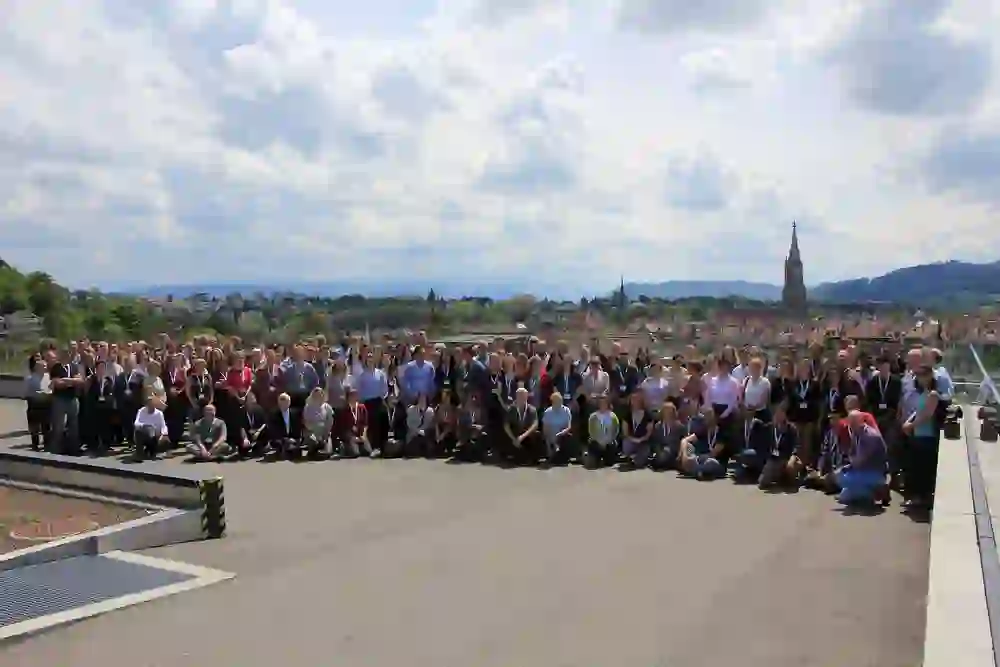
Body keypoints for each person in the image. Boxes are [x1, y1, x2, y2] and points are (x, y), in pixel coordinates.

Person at [901, 366, 941, 509]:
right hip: (917, 434)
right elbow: (918, 411)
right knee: (914, 467)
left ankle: (923, 498)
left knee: (924, 468)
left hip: (927, 436)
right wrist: (908, 422)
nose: (919, 379)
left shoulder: (933, 394)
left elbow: (927, 415)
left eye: (922, 376)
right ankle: (915, 497)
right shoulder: (924, 392)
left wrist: (911, 426)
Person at [836, 410, 889, 506]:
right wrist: (849, 464)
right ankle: (871, 493)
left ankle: (879, 487)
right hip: (862, 470)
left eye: (853, 422)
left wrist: (848, 466)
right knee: (844, 497)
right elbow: (851, 454)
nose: (851, 425)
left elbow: (859, 461)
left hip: (875, 472)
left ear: (861, 421)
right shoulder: (856, 434)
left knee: (841, 478)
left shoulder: (870, 436)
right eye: (850, 422)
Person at [757, 403, 802, 489]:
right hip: (773, 459)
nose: (778, 415)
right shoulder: (769, 428)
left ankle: (788, 478)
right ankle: (777, 476)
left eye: (780, 413)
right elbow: (763, 445)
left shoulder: (791, 428)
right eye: (776, 413)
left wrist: (793, 457)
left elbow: (797, 445)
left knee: (793, 466)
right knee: (762, 483)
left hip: (786, 458)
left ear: (785, 415)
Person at [679, 409, 726, 480]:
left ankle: (696, 471)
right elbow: (684, 440)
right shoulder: (703, 431)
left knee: (710, 462)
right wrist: (685, 457)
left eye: (709, 416)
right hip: (701, 460)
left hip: (716, 461)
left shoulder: (721, 433)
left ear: (715, 418)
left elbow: (713, 454)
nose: (707, 419)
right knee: (688, 447)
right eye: (705, 417)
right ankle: (700, 472)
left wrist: (698, 459)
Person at [501, 387, 541, 465]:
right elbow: (506, 425)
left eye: (523, 395)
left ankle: (534, 459)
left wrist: (523, 436)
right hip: (515, 434)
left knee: (537, 435)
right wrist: (513, 438)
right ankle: (510, 456)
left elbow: (535, 424)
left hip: (526, 435)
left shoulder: (532, 409)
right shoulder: (511, 409)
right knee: (503, 434)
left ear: (527, 396)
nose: (521, 398)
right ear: (516, 396)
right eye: (519, 396)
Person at [585, 394, 619, 469]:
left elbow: (616, 430)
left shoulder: (613, 416)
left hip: (608, 443)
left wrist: (609, 440)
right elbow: (591, 432)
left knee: (609, 463)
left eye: (604, 403)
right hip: (596, 443)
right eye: (601, 403)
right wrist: (600, 442)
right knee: (593, 463)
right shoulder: (593, 417)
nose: (602, 405)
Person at [24, 358, 51, 451]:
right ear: (36, 367)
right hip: (34, 405)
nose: (45, 367)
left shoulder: (48, 377)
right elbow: (26, 393)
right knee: (34, 427)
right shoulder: (30, 378)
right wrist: (36, 394)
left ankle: (46, 444)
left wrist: (49, 393)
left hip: (45, 405)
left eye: (45, 366)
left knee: (46, 426)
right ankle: (34, 444)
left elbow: (51, 388)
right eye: (42, 366)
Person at [651, 400, 687, 470]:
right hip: (661, 450)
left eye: (670, 411)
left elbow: (684, 440)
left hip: (674, 451)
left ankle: (667, 463)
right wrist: (658, 450)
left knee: (665, 455)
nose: (668, 413)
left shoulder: (679, 426)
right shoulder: (658, 426)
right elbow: (656, 441)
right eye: (666, 411)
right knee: (661, 456)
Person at [620, 391, 653, 469]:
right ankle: (631, 456)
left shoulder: (648, 414)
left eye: (638, 399)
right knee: (626, 443)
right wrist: (634, 440)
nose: (635, 402)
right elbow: (625, 433)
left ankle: (637, 458)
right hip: (631, 441)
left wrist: (641, 439)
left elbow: (649, 433)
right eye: (633, 400)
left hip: (644, 442)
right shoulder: (627, 414)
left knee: (639, 463)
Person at [132, 393, 169, 462]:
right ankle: (139, 455)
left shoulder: (159, 413)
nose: (150, 404)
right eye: (148, 403)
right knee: (138, 432)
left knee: (165, 439)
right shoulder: (141, 411)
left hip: (155, 437)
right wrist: (144, 425)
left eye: (151, 403)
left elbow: (163, 426)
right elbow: (136, 423)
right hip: (145, 435)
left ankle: (156, 452)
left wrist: (163, 434)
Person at [542, 391, 575, 465]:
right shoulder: (548, 412)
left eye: (560, 401)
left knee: (567, 437)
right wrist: (549, 441)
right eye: (556, 401)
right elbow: (545, 430)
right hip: (551, 436)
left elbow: (569, 427)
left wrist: (560, 433)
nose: (559, 403)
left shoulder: (566, 410)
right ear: (552, 402)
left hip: (562, 435)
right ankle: (553, 454)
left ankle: (561, 456)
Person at [301, 387, 335, 458]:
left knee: (327, 453)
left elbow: (330, 422)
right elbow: (306, 423)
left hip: (324, 434)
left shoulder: (327, 407)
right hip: (312, 433)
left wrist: (326, 434)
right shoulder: (307, 407)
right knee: (313, 442)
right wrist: (315, 435)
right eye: (316, 395)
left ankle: (318, 451)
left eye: (320, 395)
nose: (318, 396)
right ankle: (313, 451)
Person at [454, 392, 488, 463]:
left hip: (477, 431)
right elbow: (463, 424)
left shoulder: (481, 410)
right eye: (471, 398)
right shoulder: (464, 412)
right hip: (467, 432)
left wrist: (479, 427)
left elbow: (484, 423)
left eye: (475, 397)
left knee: (482, 435)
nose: (473, 400)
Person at [268, 392, 302, 458]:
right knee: (280, 444)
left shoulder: (295, 414)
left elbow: (298, 427)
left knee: (297, 453)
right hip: (280, 439)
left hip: (293, 438)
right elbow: (274, 430)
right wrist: (286, 439)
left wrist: (295, 438)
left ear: (289, 402)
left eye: (286, 402)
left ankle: (289, 449)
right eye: (281, 402)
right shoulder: (273, 414)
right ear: (278, 403)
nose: (283, 404)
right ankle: (285, 450)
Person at [338, 388, 370, 458]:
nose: (354, 397)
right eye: (352, 396)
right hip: (349, 434)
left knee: (368, 452)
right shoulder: (344, 409)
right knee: (355, 454)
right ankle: (346, 447)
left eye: (355, 395)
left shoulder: (362, 407)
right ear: (348, 397)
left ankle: (359, 446)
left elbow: (365, 423)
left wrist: (364, 435)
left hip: (360, 432)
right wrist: (352, 436)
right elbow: (343, 426)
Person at [405, 393, 435, 457]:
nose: (422, 401)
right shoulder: (411, 409)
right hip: (413, 435)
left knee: (429, 445)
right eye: (420, 399)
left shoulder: (430, 411)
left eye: (424, 399)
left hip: (425, 435)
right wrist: (418, 431)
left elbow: (430, 424)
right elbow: (409, 424)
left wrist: (424, 431)